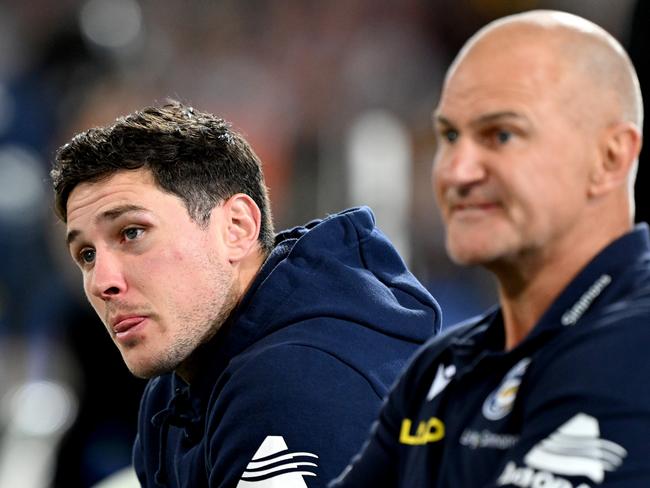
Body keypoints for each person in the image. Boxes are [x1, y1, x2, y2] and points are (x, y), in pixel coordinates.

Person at [330, 9, 648, 487]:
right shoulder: (440, 368)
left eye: (501, 134)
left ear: (609, 158)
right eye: (449, 136)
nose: (457, 171)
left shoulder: (636, 347)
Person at [50, 101, 441, 488]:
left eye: (132, 232)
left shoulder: (296, 385)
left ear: (236, 227)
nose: (102, 282)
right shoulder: (173, 392)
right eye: (86, 255)